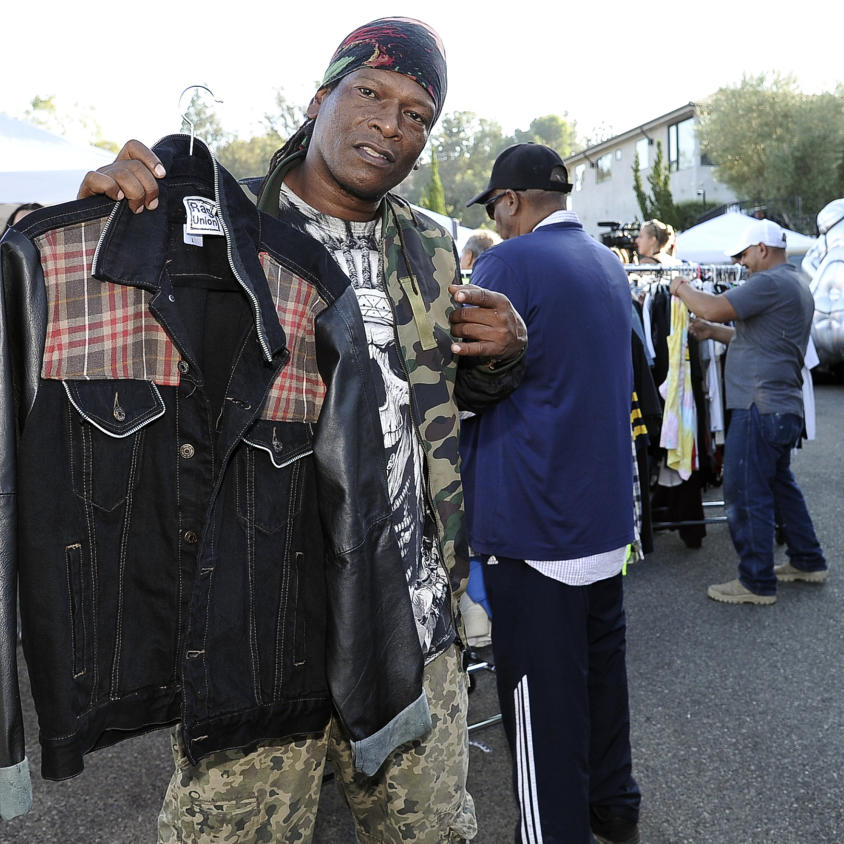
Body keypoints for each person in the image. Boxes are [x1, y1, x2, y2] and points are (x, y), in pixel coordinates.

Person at [77, 18, 527, 842]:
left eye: (418, 114)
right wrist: (103, 219)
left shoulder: (430, 244)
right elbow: (110, 378)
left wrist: (503, 355)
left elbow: (433, 401)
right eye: (371, 94)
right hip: (256, 629)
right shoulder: (214, 222)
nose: (392, 125)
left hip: (409, 628)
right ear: (320, 98)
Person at [460, 143, 641, 844]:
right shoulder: (606, 262)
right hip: (599, 516)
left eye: (497, 210)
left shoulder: (509, 261)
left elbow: (464, 381)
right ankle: (614, 809)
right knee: (601, 680)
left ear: (508, 203)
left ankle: (551, 833)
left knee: (540, 709)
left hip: (536, 518)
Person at [670, 218, 826, 605]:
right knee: (778, 486)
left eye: (743, 255)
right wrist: (711, 331)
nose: (741, 264)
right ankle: (808, 560)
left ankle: (756, 582)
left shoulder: (768, 282)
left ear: (761, 248)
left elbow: (712, 305)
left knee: (744, 492)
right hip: (780, 407)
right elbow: (757, 338)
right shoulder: (794, 283)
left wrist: (680, 286)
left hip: (759, 405)